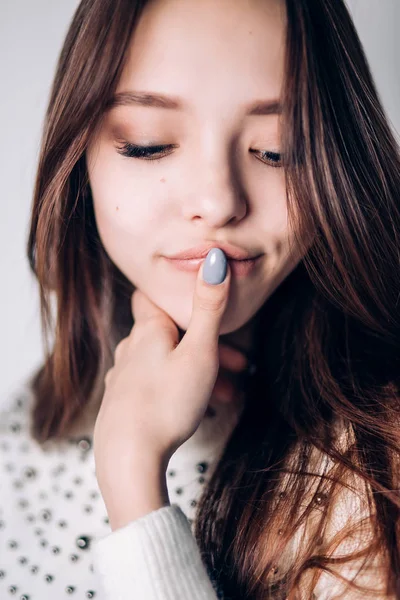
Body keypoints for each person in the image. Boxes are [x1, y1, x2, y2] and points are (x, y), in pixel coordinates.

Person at [1, 0, 400, 597]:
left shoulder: (377, 463)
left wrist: (135, 486)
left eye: (277, 150)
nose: (217, 202)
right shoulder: (26, 422)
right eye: (149, 144)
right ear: (78, 157)